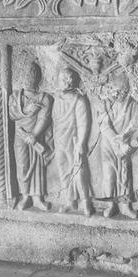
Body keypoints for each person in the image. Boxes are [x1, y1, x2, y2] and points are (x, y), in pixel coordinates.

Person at [8, 62, 53, 211]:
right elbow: (11, 114)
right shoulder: (15, 96)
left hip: (36, 137)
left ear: (38, 78)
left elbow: (44, 118)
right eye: (27, 74)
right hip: (20, 136)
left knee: (38, 167)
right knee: (22, 165)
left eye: (33, 75)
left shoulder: (44, 98)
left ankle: (38, 198)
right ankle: (25, 196)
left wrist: (34, 135)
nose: (29, 78)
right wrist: (26, 111)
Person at [97, 75, 138, 219]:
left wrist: (125, 139)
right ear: (110, 90)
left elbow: (135, 124)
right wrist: (117, 141)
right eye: (115, 91)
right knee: (109, 175)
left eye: (122, 91)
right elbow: (104, 125)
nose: (118, 94)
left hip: (125, 143)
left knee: (125, 174)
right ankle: (111, 205)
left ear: (127, 90)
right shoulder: (105, 103)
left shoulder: (133, 104)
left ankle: (126, 206)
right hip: (109, 144)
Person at [52, 67, 92, 216]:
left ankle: (86, 202)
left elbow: (83, 123)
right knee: (63, 171)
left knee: (78, 171)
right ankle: (70, 201)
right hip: (59, 140)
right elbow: (54, 121)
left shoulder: (79, 100)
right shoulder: (57, 99)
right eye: (62, 78)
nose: (63, 82)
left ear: (71, 81)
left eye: (65, 79)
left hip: (74, 140)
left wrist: (81, 143)